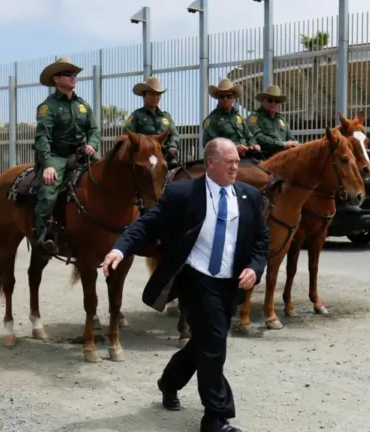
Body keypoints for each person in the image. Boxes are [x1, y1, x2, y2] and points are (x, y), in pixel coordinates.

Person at [102, 138, 270, 432]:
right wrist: (120, 248)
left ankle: (169, 382)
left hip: (231, 283)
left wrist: (255, 269)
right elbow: (148, 223)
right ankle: (216, 417)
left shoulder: (248, 196)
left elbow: (261, 240)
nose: (235, 167)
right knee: (214, 343)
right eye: (229, 162)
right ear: (210, 163)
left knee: (204, 343)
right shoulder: (184, 193)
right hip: (197, 280)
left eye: (236, 162)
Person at [33, 57, 100, 254]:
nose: (73, 78)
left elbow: (94, 130)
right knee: (49, 189)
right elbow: (42, 137)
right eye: (68, 75)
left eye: (74, 75)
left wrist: (93, 145)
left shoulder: (83, 105)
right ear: (56, 79)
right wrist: (47, 164)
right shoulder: (48, 106)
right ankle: (42, 235)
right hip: (56, 155)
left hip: (80, 154)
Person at [125, 76, 182, 168]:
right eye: (152, 94)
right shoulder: (136, 116)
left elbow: (174, 134)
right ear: (144, 96)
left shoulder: (166, 116)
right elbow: (127, 136)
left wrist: (173, 146)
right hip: (145, 158)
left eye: (158, 94)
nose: (156, 97)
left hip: (165, 156)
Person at [202, 78, 259, 159]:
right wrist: (234, 148)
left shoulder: (239, 117)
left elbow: (249, 137)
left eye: (229, 96)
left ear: (234, 97)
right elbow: (209, 146)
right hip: (226, 160)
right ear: (217, 98)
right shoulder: (211, 120)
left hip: (247, 158)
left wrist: (253, 146)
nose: (225, 99)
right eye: (222, 96)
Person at [246, 84, 300, 158]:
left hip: (284, 156)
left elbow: (291, 137)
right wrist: (283, 144)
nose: (273, 103)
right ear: (264, 100)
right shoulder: (254, 118)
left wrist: (297, 144)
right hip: (265, 158)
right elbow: (258, 138)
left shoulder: (281, 119)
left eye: (276, 101)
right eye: (270, 100)